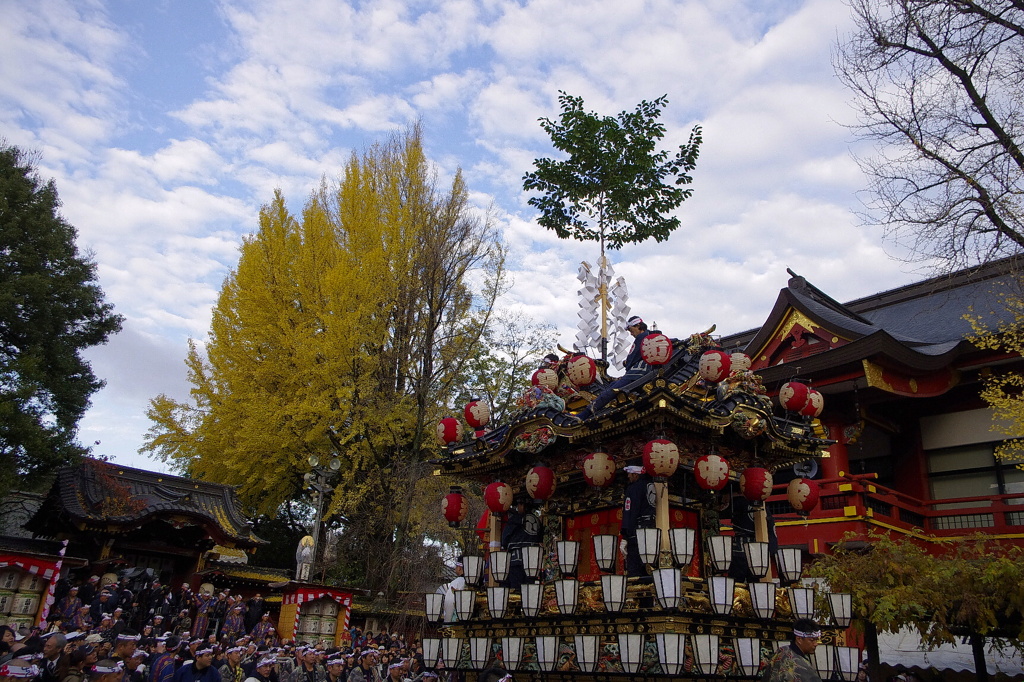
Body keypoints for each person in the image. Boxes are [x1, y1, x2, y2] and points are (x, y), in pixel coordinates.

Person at [577, 317, 655, 419]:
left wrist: (628, 362)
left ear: (638, 326)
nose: (631, 334)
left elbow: (633, 357)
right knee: (612, 385)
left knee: (613, 389)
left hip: (638, 373)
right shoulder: (648, 337)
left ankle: (586, 413)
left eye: (631, 330)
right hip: (637, 372)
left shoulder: (644, 338)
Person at [620, 465, 656, 577]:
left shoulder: (634, 488)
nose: (628, 476)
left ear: (636, 474)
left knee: (635, 571)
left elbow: (630, 511)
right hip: (651, 532)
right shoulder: (651, 485)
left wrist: (626, 536)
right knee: (649, 566)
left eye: (630, 474)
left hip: (637, 534)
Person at [500, 496, 542, 589]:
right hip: (532, 561)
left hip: (517, 559)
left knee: (516, 587)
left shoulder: (515, 519)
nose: (518, 507)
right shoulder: (537, 520)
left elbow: (505, 538)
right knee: (529, 587)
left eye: (519, 505)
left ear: (523, 505)